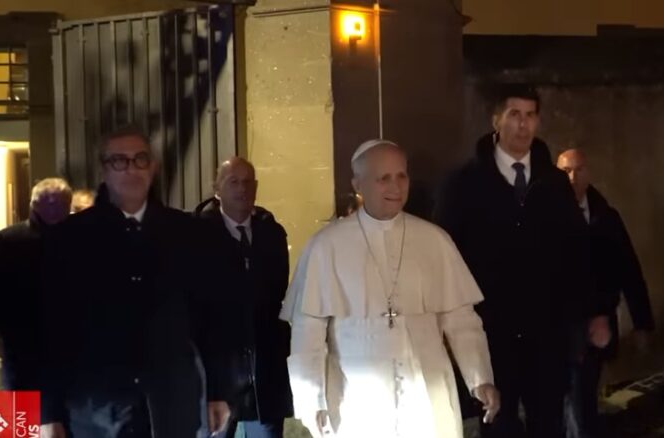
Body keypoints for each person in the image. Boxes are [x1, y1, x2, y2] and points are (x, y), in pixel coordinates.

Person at [281, 140, 500, 438]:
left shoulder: (434, 240)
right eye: (383, 178)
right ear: (358, 184)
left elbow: (461, 320)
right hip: (358, 397)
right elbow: (309, 331)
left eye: (401, 176)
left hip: (427, 393)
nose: (395, 186)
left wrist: (480, 378)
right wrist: (311, 400)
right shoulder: (326, 246)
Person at [38, 126, 233, 438]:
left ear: (153, 167)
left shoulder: (189, 234)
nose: (131, 168)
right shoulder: (69, 239)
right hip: (97, 409)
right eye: (119, 161)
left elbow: (211, 318)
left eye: (140, 159)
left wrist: (218, 390)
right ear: (103, 169)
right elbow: (49, 330)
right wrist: (48, 412)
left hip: (173, 403)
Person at [434, 86, 595, 438]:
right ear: (496, 120)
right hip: (491, 332)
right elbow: (446, 255)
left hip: (546, 332)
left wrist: (584, 316)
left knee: (548, 421)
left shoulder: (553, 182)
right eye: (514, 114)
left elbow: (577, 253)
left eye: (530, 115)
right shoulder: (465, 183)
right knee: (498, 423)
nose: (522, 125)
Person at [556, 149, 654, 437]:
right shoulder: (546, 219)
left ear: (588, 173)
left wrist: (642, 322)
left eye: (578, 170)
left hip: (599, 326)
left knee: (584, 392)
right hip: (564, 326)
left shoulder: (606, 217)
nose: (572, 178)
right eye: (565, 171)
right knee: (573, 395)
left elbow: (628, 269)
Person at [194, 158, 293, 438]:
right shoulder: (196, 237)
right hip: (217, 375)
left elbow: (277, 296)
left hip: (264, 373)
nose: (242, 189)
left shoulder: (271, 234)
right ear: (217, 189)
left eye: (248, 182)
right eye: (233, 182)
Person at [0, 178, 72, 390]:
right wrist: (2, 332)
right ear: (34, 205)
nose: (54, 209)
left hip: (68, 347)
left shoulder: (79, 240)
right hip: (22, 344)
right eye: (48, 203)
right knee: (23, 414)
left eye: (59, 203)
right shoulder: (6, 241)